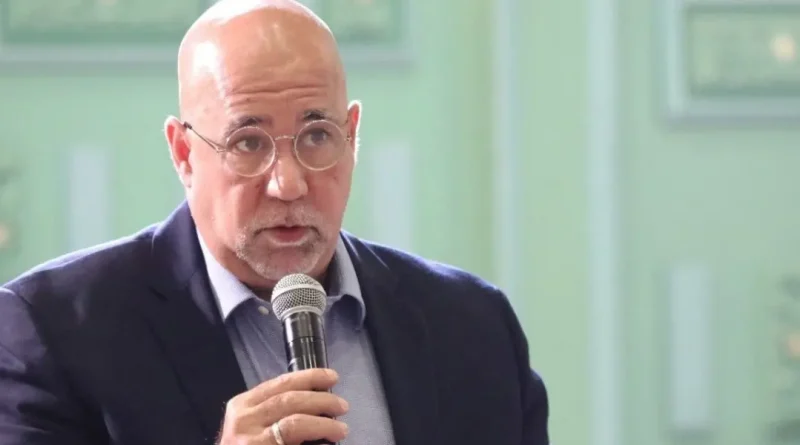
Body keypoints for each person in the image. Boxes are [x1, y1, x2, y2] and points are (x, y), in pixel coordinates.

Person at [0, 1, 550, 444]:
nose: (288, 183)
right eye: (248, 142)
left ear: (352, 135)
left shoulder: (473, 325)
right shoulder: (53, 331)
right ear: (184, 154)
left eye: (317, 136)